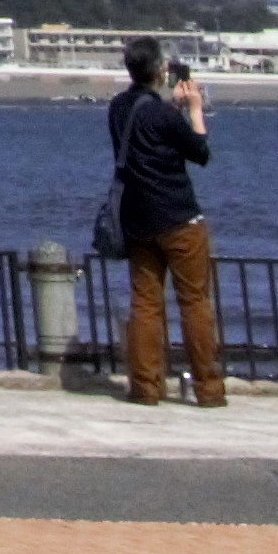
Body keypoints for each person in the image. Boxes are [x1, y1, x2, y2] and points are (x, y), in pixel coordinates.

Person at [104, 38, 221, 407]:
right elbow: (200, 151)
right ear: (159, 70)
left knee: (145, 304)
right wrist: (195, 109)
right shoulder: (166, 115)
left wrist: (172, 108)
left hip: (138, 219)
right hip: (179, 218)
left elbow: (148, 130)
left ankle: (145, 387)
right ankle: (208, 389)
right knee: (194, 302)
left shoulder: (118, 107)